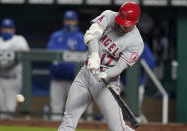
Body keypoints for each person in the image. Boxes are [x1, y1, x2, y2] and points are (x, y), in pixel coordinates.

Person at [58, 2, 144, 131]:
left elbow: (120, 68)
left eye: (126, 23)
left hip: (107, 82)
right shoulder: (109, 16)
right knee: (68, 119)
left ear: (135, 21)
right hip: (86, 74)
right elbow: (92, 34)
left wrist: (106, 74)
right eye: (121, 21)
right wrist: (94, 55)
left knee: (118, 128)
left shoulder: (136, 43)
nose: (121, 25)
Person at [47, 10, 87, 121]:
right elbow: (50, 51)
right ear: (64, 21)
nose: (69, 22)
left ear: (76, 22)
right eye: (67, 20)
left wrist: (64, 51)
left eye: (71, 20)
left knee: (75, 111)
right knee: (55, 109)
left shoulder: (80, 37)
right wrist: (69, 50)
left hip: (74, 80)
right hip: (57, 78)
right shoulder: (56, 35)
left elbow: (82, 53)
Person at [0, 18, 29, 119]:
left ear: (13, 29)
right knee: (0, 108)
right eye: (4, 28)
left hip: (14, 78)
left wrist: (21, 52)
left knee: (10, 109)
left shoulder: (19, 40)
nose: (6, 30)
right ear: (1, 29)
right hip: (0, 78)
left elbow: (26, 55)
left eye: (9, 28)